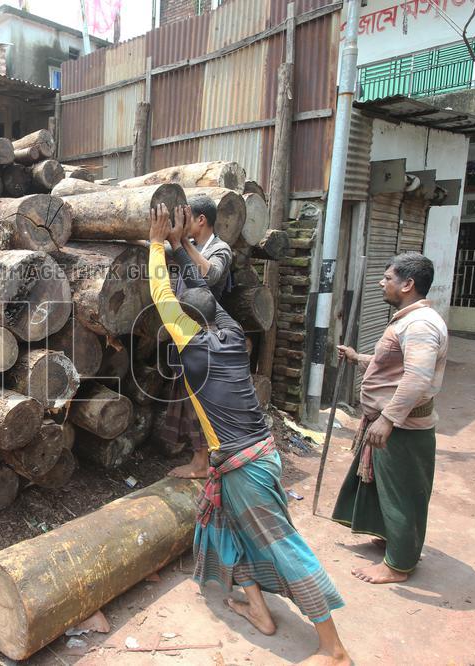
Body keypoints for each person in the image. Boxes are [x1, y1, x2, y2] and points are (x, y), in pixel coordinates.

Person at [148, 204, 350, 666]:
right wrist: (181, 247)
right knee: (222, 528)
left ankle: (334, 649)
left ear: (185, 325)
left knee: (286, 549)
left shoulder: (193, 352)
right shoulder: (231, 331)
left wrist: (156, 245)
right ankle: (259, 609)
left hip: (246, 467)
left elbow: (162, 293)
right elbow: (200, 295)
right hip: (251, 458)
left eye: (177, 317)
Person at [333, 252, 448, 585]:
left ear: (408, 284)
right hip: (394, 420)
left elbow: (417, 377)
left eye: (387, 278)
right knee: (384, 485)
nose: (381, 283)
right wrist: (358, 359)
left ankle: (397, 565)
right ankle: (388, 538)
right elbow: (392, 365)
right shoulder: (408, 320)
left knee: (402, 492)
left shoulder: (421, 325)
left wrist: (388, 420)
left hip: (403, 426)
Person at [164, 196, 234, 480]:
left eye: (185, 218)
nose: (181, 225)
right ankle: (199, 454)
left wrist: (183, 244)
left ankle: (202, 461)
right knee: (185, 393)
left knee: (199, 398)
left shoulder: (220, 248)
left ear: (201, 219)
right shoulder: (186, 247)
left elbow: (212, 276)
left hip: (204, 332)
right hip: (183, 329)